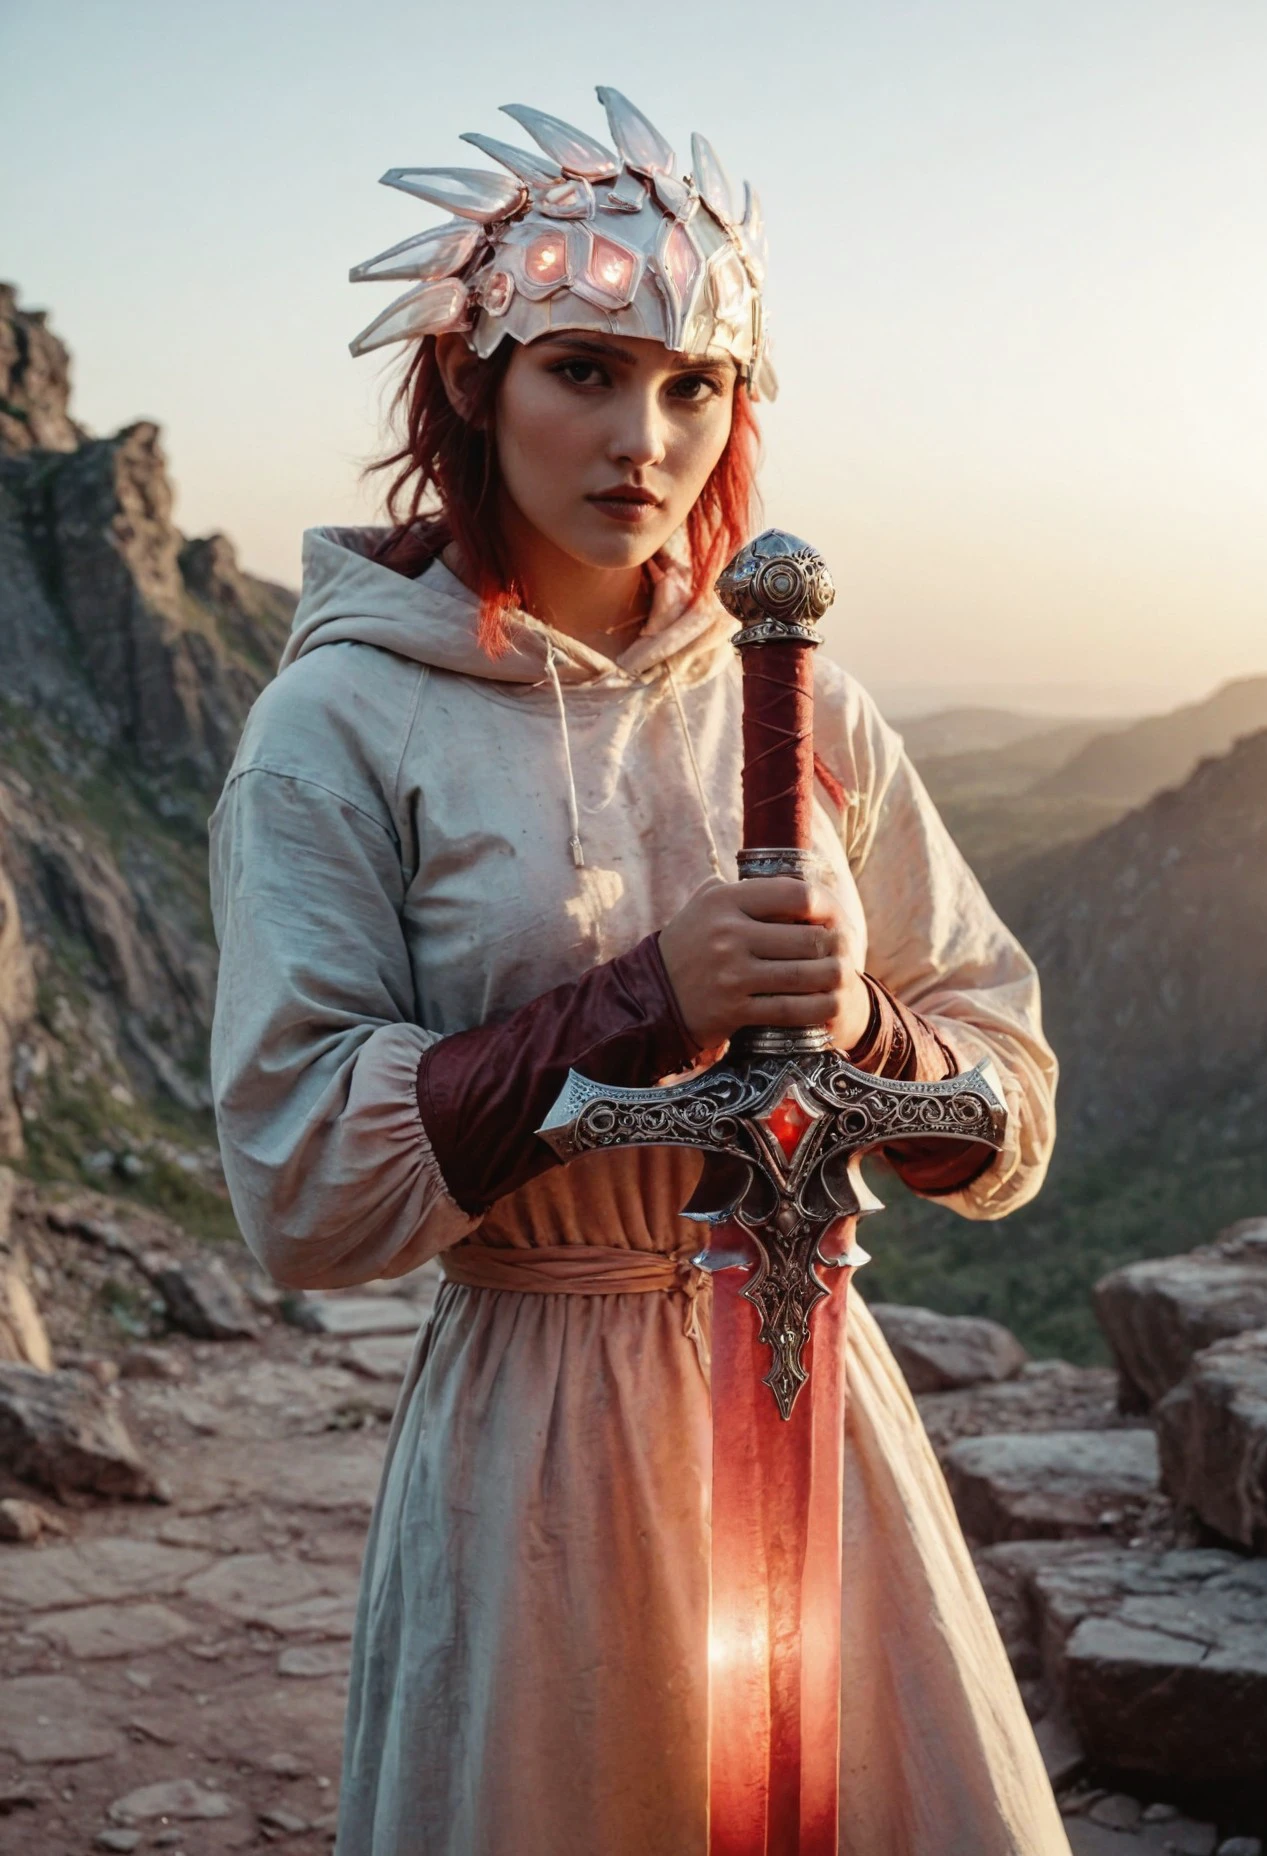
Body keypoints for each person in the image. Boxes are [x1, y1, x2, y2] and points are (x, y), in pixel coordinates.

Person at [210, 87, 1068, 1856]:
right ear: (471, 379)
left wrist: (858, 1025)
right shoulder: (337, 722)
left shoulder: (802, 703)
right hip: (534, 1443)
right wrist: (643, 998)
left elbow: (1008, 1102)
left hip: (810, 1409)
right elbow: (301, 1181)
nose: (644, 438)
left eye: (696, 387)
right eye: (584, 369)